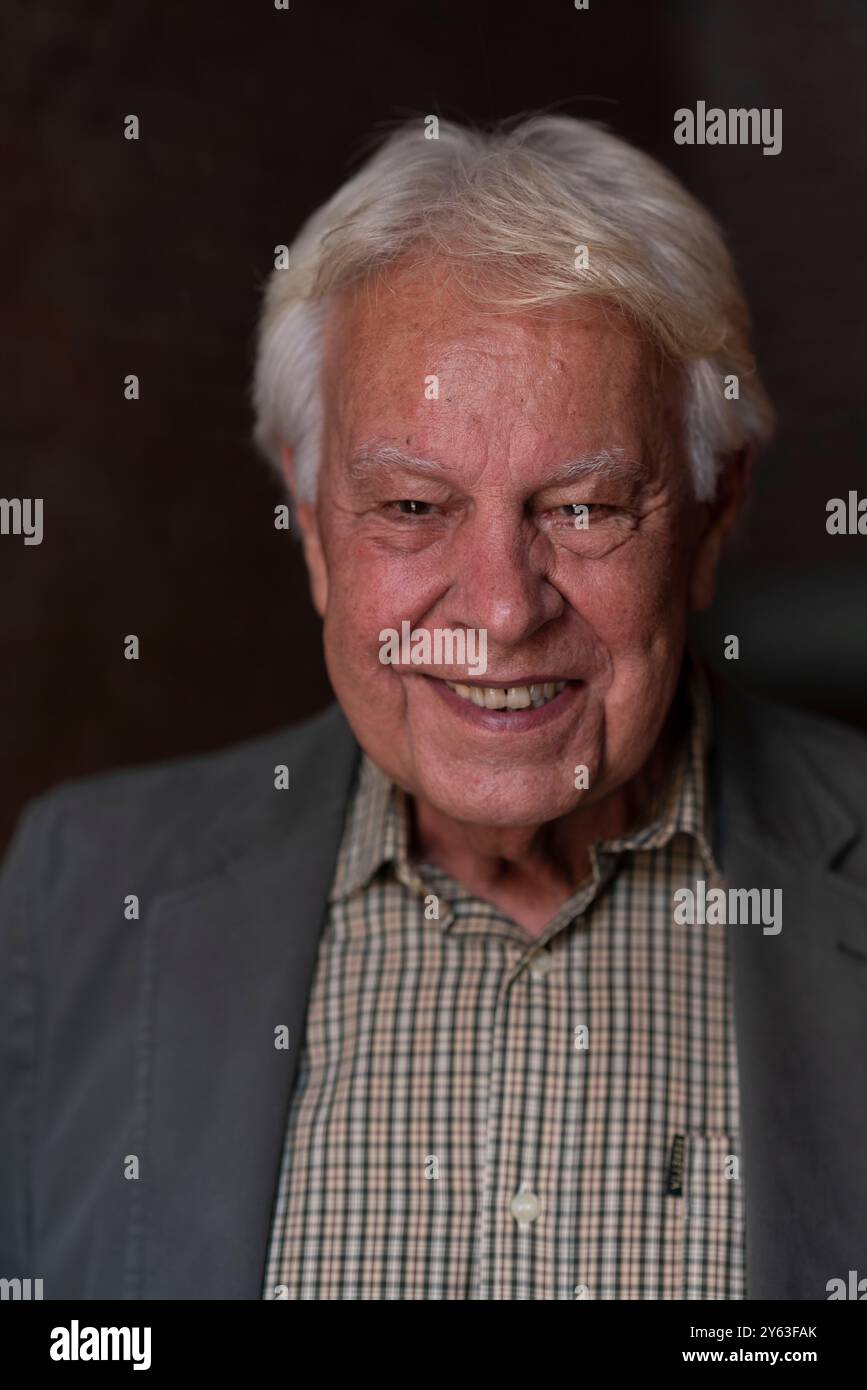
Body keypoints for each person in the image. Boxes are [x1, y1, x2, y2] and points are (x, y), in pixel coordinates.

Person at [2, 116, 865, 1301]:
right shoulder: (78, 893)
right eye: (411, 507)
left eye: (584, 506)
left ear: (714, 514)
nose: (504, 611)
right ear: (309, 527)